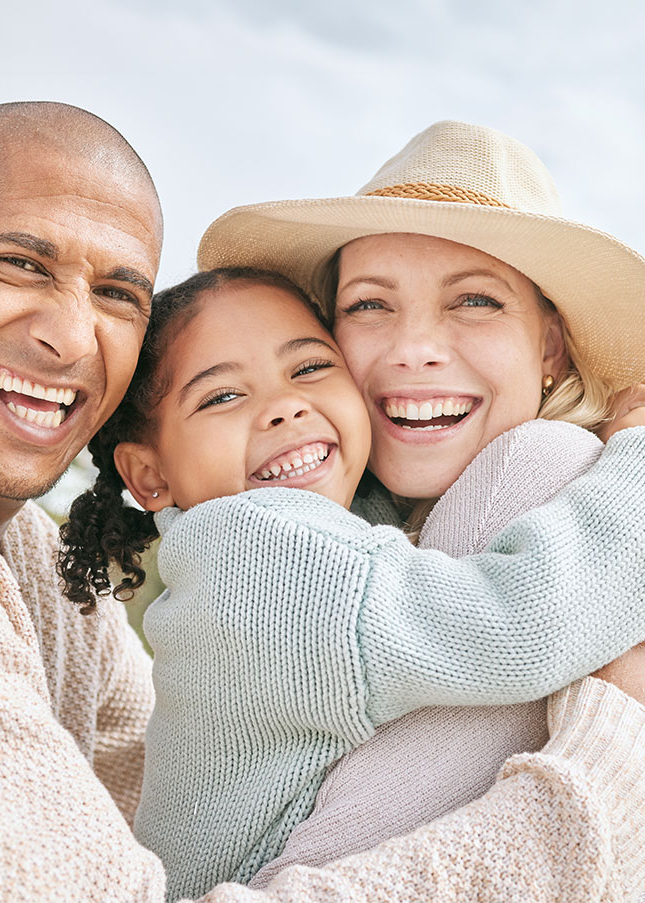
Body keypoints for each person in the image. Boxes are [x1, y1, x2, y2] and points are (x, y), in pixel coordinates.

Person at [0, 101, 645, 903]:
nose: (71, 336)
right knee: (550, 466)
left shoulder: (32, 564)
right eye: (20, 263)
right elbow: (516, 622)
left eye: (118, 292)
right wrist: (601, 775)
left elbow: (133, 784)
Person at [58, 249, 645, 899]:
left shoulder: (342, 517)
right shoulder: (249, 551)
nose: (285, 407)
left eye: (311, 368)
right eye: (222, 396)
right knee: (549, 460)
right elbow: (521, 626)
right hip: (277, 879)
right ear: (149, 475)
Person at [195, 119, 645, 889]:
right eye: (370, 305)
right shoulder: (293, 523)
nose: (412, 348)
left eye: (474, 300)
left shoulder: (560, 479)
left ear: (550, 347)